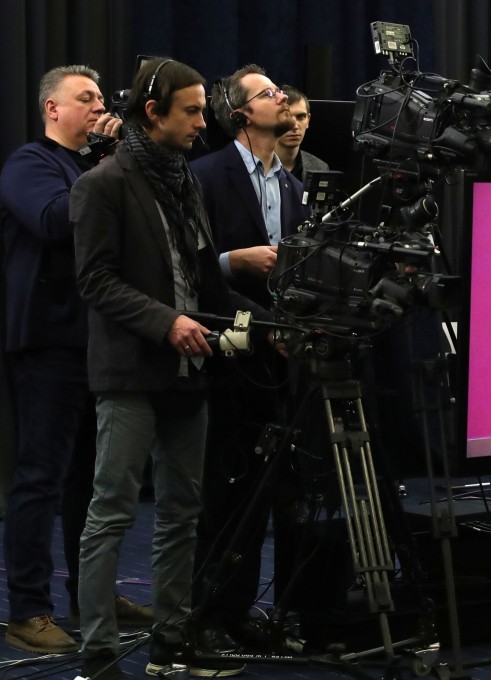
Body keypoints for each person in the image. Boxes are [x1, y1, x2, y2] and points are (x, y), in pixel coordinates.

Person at [71, 57, 264, 679]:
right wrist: (166, 321)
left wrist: (271, 327)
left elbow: (208, 283)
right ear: (153, 114)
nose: (202, 122)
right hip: (129, 374)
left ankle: (172, 642)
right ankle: (99, 653)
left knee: (183, 512)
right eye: (191, 111)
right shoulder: (102, 184)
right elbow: (95, 280)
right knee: (112, 514)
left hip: (190, 374)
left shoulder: (185, 183)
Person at [0, 64, 152, 656]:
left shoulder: (96, 167)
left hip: (99, 342)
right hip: (47, 340)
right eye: (83, 98)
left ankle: (94, 595)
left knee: (95, 481)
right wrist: (112, 166)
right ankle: (28, 608)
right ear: (51, 110)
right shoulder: (29, 164)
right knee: (41, 475)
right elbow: (51, 220)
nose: (96, 107)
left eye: (98, 98)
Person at [190, 64, 306, 651]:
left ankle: (239, 610)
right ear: (240, 114)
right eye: (267, 93)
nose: (280, 97)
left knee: (263, 489)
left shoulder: (289, 183)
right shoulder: (205, 175)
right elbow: (183, 267)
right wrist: (232, 262)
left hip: (275, 358)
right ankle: (204, 613)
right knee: (221, 489)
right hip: (224, 349)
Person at [275, 85, 329, 183]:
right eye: (286, 117)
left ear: (308, 120)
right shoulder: (256, 166)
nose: (294, 126)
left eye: (300, 117)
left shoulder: (319, 168)